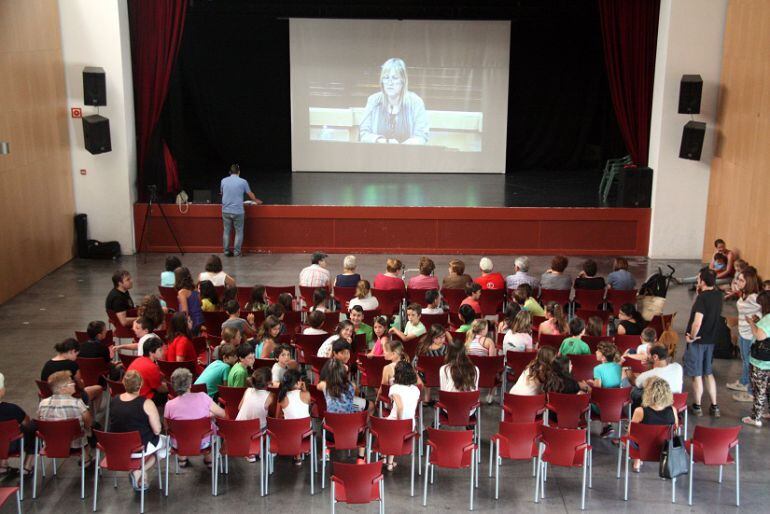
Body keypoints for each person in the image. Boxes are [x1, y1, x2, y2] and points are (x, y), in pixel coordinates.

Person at [108, 370, 165, 490]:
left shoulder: (114, 400)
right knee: (165, 446)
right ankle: (139, 471)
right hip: (139, 447)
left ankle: (141, 480)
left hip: (118, 446)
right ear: (141, 385)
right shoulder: (146, 403)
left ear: (123, 383)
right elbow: (157, 430)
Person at [359, 57, 429, 145]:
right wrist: (382, 141)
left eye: (395, 78)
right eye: (386, 78)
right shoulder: (373, 101)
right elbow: (364, 134)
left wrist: (400, 148)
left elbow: (421, 136)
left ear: (403, 81)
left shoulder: (416, 102)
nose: (390, 82)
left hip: (407, 155)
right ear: (382, 81)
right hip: (378, 154)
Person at [165, 368, 226, 468]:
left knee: (181, 431)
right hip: (203, 443)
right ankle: (209, 460)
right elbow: (223, 414)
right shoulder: (203, 397)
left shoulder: (169, 405)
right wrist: (209, 415)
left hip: (178, 444)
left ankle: (182, 459)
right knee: (209, 429)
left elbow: (167, 427)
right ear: (190, 384)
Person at [684, 267, 723, 417]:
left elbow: (697, 322)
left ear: (703, 281)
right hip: (711, 340)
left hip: (698, 341)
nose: (697, 280)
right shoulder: (718, 295)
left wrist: (692, 336)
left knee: (697, 374)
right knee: (708, 372)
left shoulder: (703, 298)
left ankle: (697, 405)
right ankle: (715, 406)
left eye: (698, 278)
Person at [38, 371, 93, 464]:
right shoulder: (77, 403)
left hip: (52, 444)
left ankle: (86, 458)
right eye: (70, 383)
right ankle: (87, 459)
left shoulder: (43, 403)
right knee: (88, 429)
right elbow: (88, 423)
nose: (74, 384)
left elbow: (41, 422)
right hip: (74, 445)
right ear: (62, 388)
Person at [628, 378, 678, 472]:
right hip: (663, 447)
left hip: (643, 447)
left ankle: (637, 463)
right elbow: (675, 429)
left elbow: (631, 432)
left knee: (636, 436)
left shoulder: (640, 411)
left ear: (648, 393)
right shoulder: (673, 410)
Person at [728, 266, 761, 402]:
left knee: (749, 362)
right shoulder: (743, 294)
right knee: (744, 360)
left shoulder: (754, 297)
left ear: (749, 282)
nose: (738, 282)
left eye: (741, 280)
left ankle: (750, 392)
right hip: (742, 331)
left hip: (750, 335)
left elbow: (763, 309)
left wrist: (756, 318)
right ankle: (743, 382)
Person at [384, 361, 421, 471]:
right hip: (410, 424)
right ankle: (389, 462)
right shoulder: (416, 390)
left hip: (397, 422)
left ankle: (385, 459)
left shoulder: (395, 388)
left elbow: (400, 406)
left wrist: (400, 421)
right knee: (393, 432)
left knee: (384, 424)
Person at [41, 338, 102, 403]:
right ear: (72, 351)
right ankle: (90, 411)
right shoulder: (72, 365)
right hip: (70, 399)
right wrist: (82, 383)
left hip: (50, 399)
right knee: (98, 388)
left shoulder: (47, 364)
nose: (76, 358)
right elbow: (80, 386)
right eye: (76, 355)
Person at [625, 345, 683, 410]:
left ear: (655, 356)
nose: (647, 356)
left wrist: (627, 366)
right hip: (676, 404)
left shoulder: (649, 374)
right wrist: (651, 363)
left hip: (658, 406)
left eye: (648, 354)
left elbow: (633, 382)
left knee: (635, 391)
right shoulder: (678, 366)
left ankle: (635, 414)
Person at [221, 163, 262, 257]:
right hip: (238, 211)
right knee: (239, 231)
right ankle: (237, 252)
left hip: (226, 210)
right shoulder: (243, 181)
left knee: (226, 231)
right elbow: (250, 193)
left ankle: (226, 251)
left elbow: (222, 193)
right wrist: (256, 200)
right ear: (239, 172)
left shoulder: (223, 180)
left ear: (230, 172)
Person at [742, 291, 770, 427]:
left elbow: (759, 336)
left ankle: (756, 418)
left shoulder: (768, 318)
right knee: (769, 389)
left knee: (759, 390)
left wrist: (752, 323)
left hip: (760, 361)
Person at [0, 373, 35, 475]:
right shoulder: (12, 409)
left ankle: (3, 464)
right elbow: (27, 424)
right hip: (11, 446)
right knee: (33, 427)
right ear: (1, 391)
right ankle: (26, 467)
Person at [127, 338, 168, 403]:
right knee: (166, 394)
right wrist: (171, 387)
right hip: (143, 399)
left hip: (132, 395)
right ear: (151, 352)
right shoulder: (152, 367)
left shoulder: (137, 360)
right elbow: (160, 389)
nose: (163, 352)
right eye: (160, 350)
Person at [236, 367, 274, 433]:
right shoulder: (270, 396)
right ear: (269, 382)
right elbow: (272, 416)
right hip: (256, 432)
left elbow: (239, 407)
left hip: (239, 427)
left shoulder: (248, 390)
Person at [175, 267, 204, 333]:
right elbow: (200, 304)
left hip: (191, 324)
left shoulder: (182, 292)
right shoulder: (196, 291)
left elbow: (185, 312)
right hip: (199, 321)